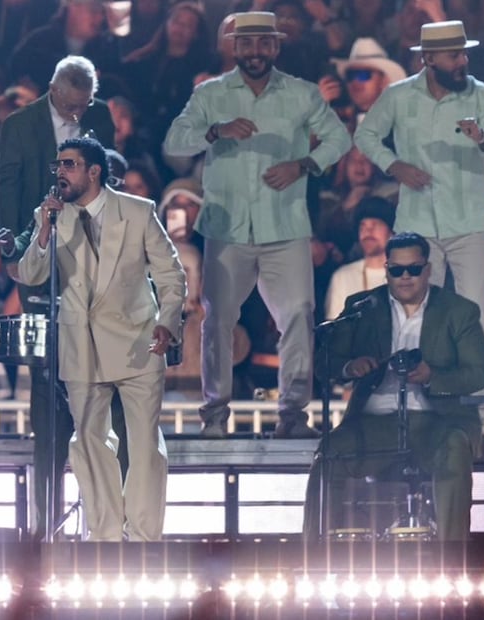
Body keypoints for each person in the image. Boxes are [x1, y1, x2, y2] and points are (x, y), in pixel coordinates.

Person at [163, 11, 351, 439]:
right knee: (216, 321)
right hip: (227, 228)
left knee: (299, 317)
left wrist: (303, 165)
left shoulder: (302, 94)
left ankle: (292, 416)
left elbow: (339, 138)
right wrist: (214, 131)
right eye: (246, 44)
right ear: (234, 47)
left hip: (284, 226)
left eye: (263, 43)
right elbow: (174, 142)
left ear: (276, 47)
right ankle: (213, 416)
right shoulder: (211, 93)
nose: (254, 52)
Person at [16, 136, 185, 541]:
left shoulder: (138, 211)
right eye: (57, 165)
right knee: (89, 443)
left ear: (94, 171)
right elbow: (30, 274)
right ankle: (106, 534)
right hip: (80, 342)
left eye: (69, 164)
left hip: (137, 339)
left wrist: (168, 321)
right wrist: (43, 231)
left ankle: (144, 536)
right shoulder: (53, 215)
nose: (60, 172)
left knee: (143, 444)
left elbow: (170, 273)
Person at [303, 232, 484, 542]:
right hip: (375, 422)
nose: (405, 277)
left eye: (414, 269)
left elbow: (477, 373)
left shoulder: (458, 311)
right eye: (396, 270)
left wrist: (432, 375)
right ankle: (312, 555)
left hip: (437, 421)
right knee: (329, 453)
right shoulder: (362, 306)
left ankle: (453, 559)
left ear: (427, 270)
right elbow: (326, 363)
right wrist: (351, 367)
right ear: (386, 269)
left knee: (455, 450)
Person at [0, 54, 114, 540]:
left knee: (91, 348)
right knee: (48, 357)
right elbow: (8, 184)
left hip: (91, 249)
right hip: (38, 244)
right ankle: (48, 445)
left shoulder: (99, 119)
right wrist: (14, 243)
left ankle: (93, 451)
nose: (80, 113)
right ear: (52, 91)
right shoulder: (20, 125)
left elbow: (111, 177)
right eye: (72, 105)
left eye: (86, 104)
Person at [354, 20, 484, 356]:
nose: (463, 62)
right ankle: (417, 396)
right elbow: (364, 135)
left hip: (468, 222)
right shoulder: (398, 95)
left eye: (464, 55)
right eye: (455, 56)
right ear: (429, 59)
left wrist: (481, 137)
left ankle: (475, 401)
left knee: (475, 311)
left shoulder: (482, 94)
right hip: (417, 224)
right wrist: (395, 165)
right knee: (415, 311)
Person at [323, 197, 394, 320]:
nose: (368, 232)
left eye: (375, 225)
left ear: (391, 233)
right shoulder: (342, 276)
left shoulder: (403, 275)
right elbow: (334, 329)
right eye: (363, 227)